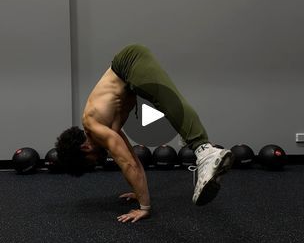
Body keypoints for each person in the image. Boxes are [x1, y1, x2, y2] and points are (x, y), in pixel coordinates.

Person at [56, 45, 233, 223]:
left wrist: (144, 208)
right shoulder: (105, 128)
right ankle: (204, 151)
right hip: (128, 73)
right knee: (167, 103)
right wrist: (140, 195)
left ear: (85, 148)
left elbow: (127, 164)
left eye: (90, 161)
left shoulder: (95, 127)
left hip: (130, 63)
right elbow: (132, 161)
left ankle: (204, 151)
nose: (96, 161)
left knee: (169, 102)